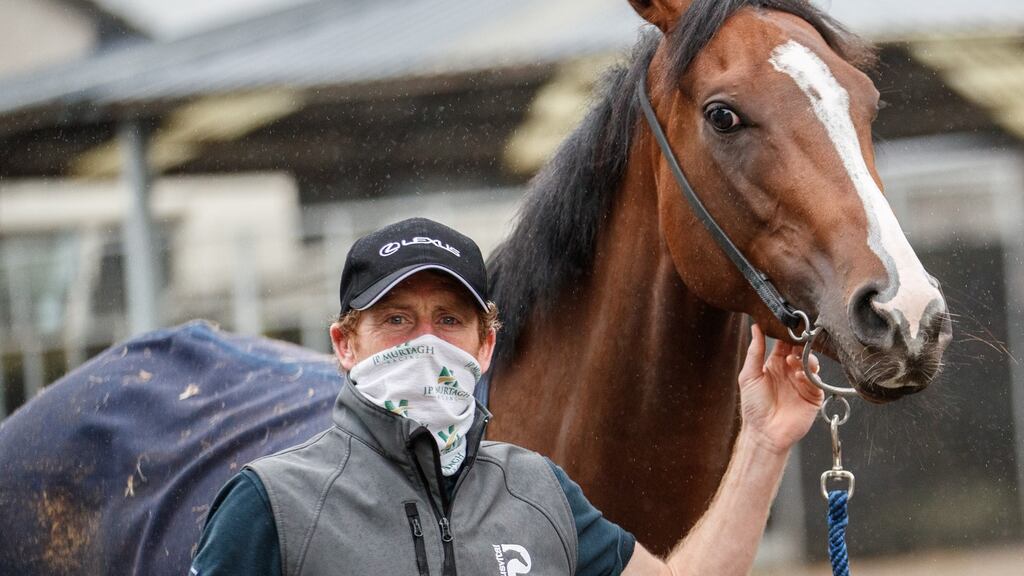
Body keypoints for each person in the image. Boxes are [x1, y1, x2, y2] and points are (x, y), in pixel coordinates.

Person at [190, 217, 823, 576]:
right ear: (344, 344)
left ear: (486, 345)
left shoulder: (540, 494)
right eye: (396, 320)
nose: (427, 344)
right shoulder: (272, 505)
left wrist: (763, 441)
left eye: (449, 320)